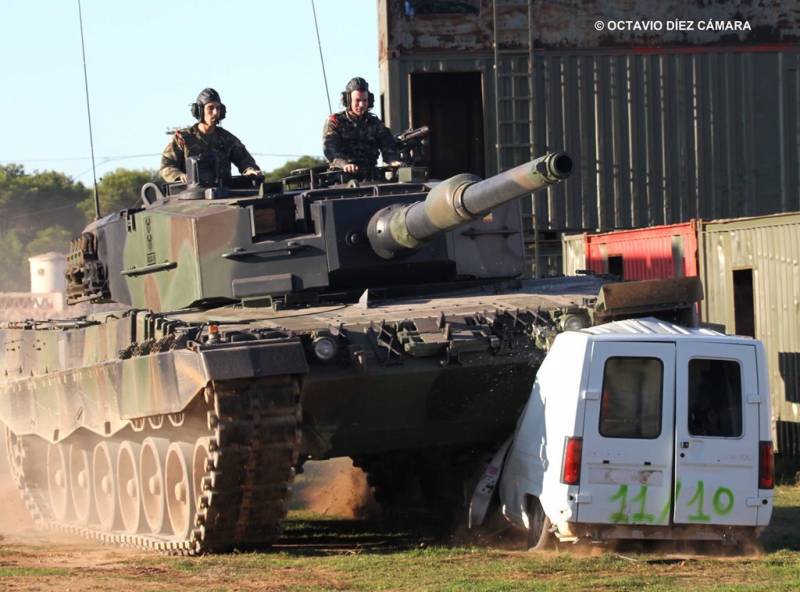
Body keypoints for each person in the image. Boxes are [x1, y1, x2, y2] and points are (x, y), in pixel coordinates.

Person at [160, 88, 261, 183]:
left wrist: (250, 170)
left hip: (223, 194)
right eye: (210, 108)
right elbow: (166, 166)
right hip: (191, 195)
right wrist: (179, 175)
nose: (215, 112)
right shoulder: (183, 138)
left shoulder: (227, 139)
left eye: (218, 108)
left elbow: (246, 162)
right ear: (199, 111)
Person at [322, 77, 402, 173]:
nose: (361, 105)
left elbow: (388, 145)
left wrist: (393, 160)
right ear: (348, 101)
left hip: (370, 175)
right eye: (357, 100)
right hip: (341, 176)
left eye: (365, 100)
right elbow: (330, 150)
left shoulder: (375, 123)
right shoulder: (335, 122)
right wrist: (344, 164)